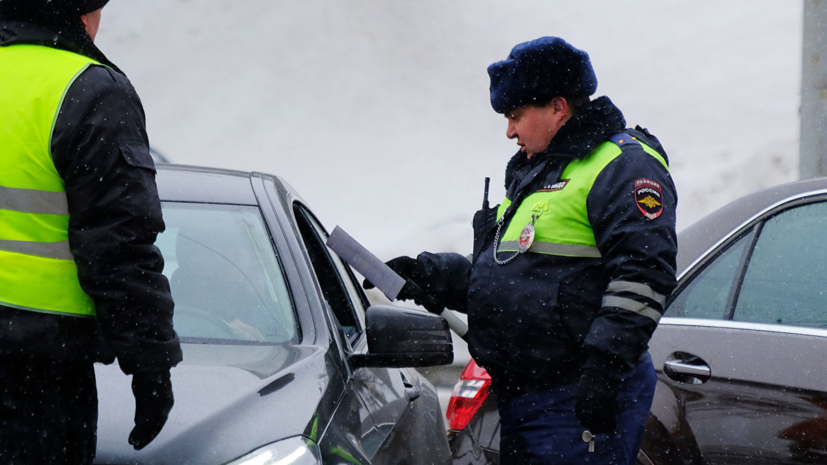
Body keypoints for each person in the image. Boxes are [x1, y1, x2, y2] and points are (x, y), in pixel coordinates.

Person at [367, 37, 677, 464]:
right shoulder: (542, 171)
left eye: (515, 116)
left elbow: (644, 274)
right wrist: (432, 275)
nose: (509, 131)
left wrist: (603, 369)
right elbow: (519, 277)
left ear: (558, 107)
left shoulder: (621, 164)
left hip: (575, 395)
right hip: (528, 395)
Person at [0, 1, 182, 463]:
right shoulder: (87, 91)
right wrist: (150, 363)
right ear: (80, 15)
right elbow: (119, 246)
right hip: (38, 374)